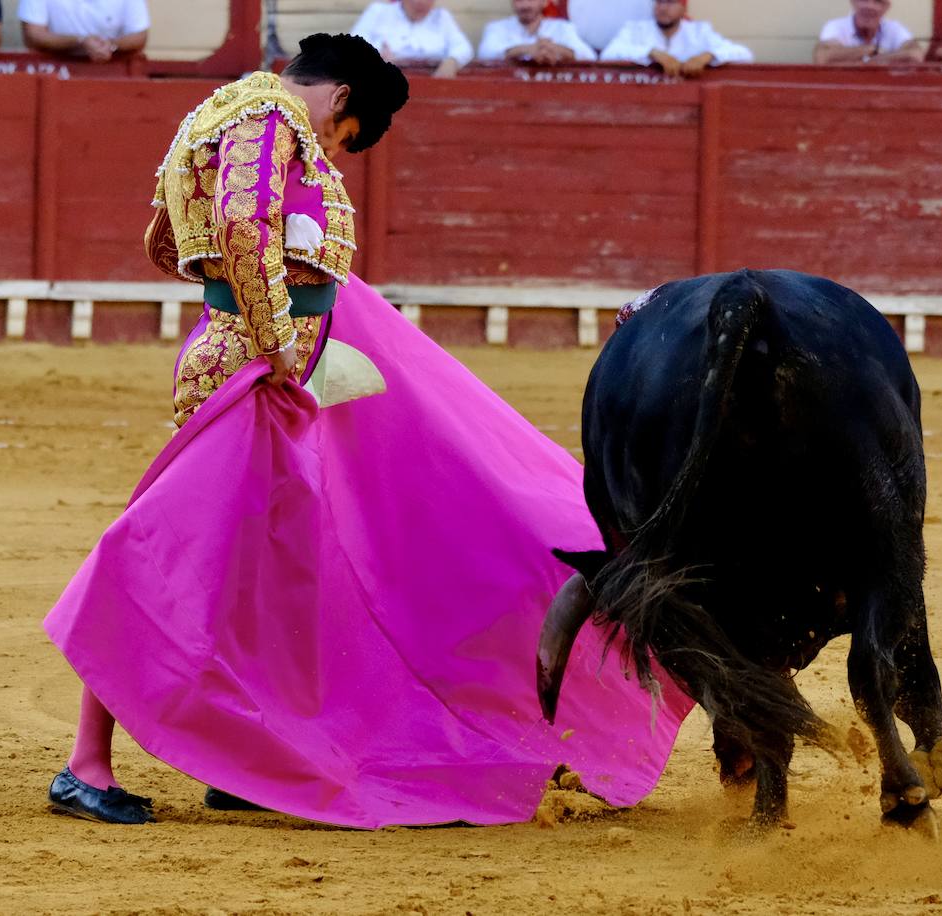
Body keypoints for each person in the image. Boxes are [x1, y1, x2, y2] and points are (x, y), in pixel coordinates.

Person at [43, 32, 692, 828]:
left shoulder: (221, 115)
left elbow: (169, 241)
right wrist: (281, 344)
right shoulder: (270, 115)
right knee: (173, 556)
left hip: (249, 357)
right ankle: (86, 764)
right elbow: (243, 229)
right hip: (256, 368)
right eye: (343, 139)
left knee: (262, 569)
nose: (332, 150)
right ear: (341, 98)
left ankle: (238, 759)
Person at [599, 0, 752, 77]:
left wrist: (708, 56)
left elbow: (745, 54)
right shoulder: (635, 29)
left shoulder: (699, 31)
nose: (663, 8)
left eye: (671, 2)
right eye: (660, 1)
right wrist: (652, 53)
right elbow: (608, 53)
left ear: (683, 8)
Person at [349, 0, 473, 78]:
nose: (421, 2)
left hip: (430, 86)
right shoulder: (379, 11)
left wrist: (452, 61)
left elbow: (463, 47)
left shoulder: (441, 17)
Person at [17, 0, 148, 62]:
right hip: (53, 69)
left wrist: (111, 45)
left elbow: (139, 36)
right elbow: (32, 36)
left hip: (112, 72)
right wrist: (80, 42)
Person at [477, 0, 596, 65]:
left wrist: (555, 49)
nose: (525, 5)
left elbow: (589, 56)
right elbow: (485, 53)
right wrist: (527, 50)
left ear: (544, 2)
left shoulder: (562, 27)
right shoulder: (497, 28)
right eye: (519, 0)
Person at [814, 0, 923, 65]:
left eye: (878, 1)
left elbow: (915, 54)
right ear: (853, 2)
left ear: (886, 7)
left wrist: (873, 60)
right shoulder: (836, 26)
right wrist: (871, 50)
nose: (869, 6)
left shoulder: (894, 28)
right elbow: (822, 57)